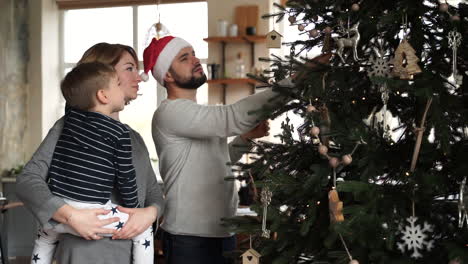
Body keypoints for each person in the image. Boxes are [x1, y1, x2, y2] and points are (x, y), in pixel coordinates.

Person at [141, 36, 285, 264]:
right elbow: (233, 116)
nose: (195, 60)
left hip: (221, 232)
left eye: (193, 53)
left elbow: (220, 160)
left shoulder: (196, 114)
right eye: (184, 58)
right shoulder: (171, 112)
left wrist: (245, 138)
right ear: (167, 75)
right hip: (189, 238)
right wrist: (296, 81)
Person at [16, 43, 164, 264]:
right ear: (101, 75)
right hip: (82, 255)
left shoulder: (134, 138)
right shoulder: (67, 126)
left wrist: (150, 213)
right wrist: (69, 215)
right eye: (129, 68)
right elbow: (27, 181)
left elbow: (154, 195)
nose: (139, 77)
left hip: (130, 255)